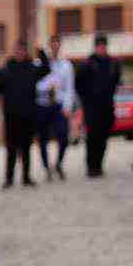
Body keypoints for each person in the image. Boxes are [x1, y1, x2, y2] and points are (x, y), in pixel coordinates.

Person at [0, 40, 50, 189]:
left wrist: (40, 51)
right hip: (11, 117)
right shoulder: (5, 70)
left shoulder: (32, 68)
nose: (19, 52)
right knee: (11, 149)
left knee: (27, 148)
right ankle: (9, 179)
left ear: (25, 52)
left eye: (22, 50)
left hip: (28, 116)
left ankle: (26, 177)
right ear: (13, 51)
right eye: (17, 50)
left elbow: (46, 69)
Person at [77, 35, 122, 178]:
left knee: (104, 137)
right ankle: (92, 167)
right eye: (99, 46)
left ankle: (99, 165)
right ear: (95, 47)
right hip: (92, 107)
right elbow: (79, 84)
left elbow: (115, 81)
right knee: (92, 137)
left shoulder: (113, 63)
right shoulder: (87, 64)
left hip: (107, 105)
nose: (102, 48)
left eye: (104, 46)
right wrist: (86, 101)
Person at [35, 34, 75, 181]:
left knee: (63, 136)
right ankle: (47, 168)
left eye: (57, 44)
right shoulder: (40, 63)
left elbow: (70, 88)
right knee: (43, 138)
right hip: (43, 103)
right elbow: (36, 83)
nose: (55, 47)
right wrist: (46, 87)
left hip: (59, 104)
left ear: (60, 45)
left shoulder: (66, 65)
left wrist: (67, 106)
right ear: (50, 46)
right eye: (52, 44)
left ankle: (58, 164)